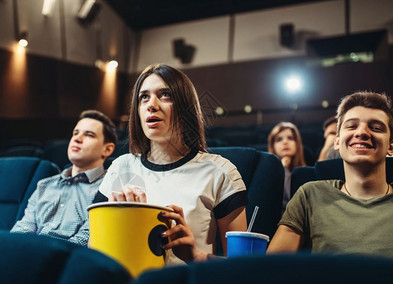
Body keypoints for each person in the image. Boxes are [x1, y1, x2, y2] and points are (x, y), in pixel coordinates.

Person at [93, 64, 248, 264]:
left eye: (165, 95)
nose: (152, 105)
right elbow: (94, 246)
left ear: (186, 106)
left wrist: (196, 257)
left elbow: (243, 269)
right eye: (144, 97)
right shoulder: (120, 167)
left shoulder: (220, 172)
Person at [267, 91, 393, 257]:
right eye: (352, 126)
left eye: (375, 127)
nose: (361, 133)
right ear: (337, 142)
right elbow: (273, 269)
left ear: (391, 146)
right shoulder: (309, 195)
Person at [11, 110, 117, 246]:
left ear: (107, 149)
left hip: (70, 260)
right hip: (31, 256)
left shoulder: (109, 187)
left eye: (89, 135)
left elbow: (86, 238)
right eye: (75, 133)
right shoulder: (44, 185)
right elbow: (24, 227)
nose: (77, 139)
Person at [267, 122, 306, 210]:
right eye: (279, 139)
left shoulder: (306, 172)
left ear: (297, 143)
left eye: (290, 138)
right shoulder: (266, 174)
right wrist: (283, 168)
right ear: (273, 146)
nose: (285, 142)